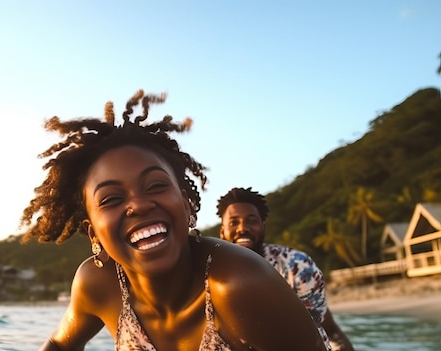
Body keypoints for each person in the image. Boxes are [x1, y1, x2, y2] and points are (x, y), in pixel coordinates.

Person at [20, 90, 328, 350]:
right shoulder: (97, 284)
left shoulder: (238, 283)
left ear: (185, 201)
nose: (139, 205)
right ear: (93, 233)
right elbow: (60, 345)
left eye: (155, 185)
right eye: (112, 199)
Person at [217, 187, 355, 351]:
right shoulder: (208, 273)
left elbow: (325, 330)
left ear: (263, 226)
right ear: (222, 231)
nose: (242, 228)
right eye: (234, 222)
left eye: (251, 220)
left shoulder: (297, 266)